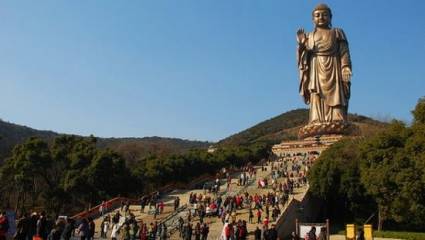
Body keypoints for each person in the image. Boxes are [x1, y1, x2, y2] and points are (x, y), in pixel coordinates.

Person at [297, 3, 352, 125]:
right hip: (316, 68)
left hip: (334, 67)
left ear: (330, 17)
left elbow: (344, 52)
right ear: (313, 19)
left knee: (337, 94)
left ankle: (337, 118)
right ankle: (316, 119)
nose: (321, 17)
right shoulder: (310, 36)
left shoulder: (337, 32)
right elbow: (303, 59)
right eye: (317, 15)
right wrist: (301, 46)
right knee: (316, 94)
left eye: (324, 15)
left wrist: (345, 67)